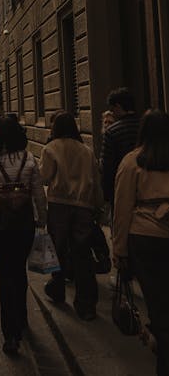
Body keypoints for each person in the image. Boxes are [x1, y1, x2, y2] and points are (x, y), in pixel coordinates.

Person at [0, 116, 47, 355]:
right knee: (18, 270)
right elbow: (38, 193)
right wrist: (41, 219)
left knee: (4, 276)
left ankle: (11, 335)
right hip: (25, 223)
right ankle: (23, 318)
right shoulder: (29, 159)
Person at [113, 110, 169, 376]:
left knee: (157, 303)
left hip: (145, 239)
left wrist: (120, 250)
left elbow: (122, 210)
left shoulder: (132, 161)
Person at [40, 111, 103, 321]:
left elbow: (44, 177)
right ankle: (86, 305)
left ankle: (57, 288)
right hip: (84, 205)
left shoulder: (51, 149)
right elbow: (96, 180)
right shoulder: (87, 151)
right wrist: (98, 206)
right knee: (82, 253)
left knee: (56, 249)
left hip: (59, 204)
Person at [100, 88, 140, 209]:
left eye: (112, 110)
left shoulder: (112, 132)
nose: (112, 113)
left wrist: (106, 195)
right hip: (147, 187)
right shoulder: (145, 125)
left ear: (118, 106)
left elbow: (107, 167)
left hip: (121, 189)